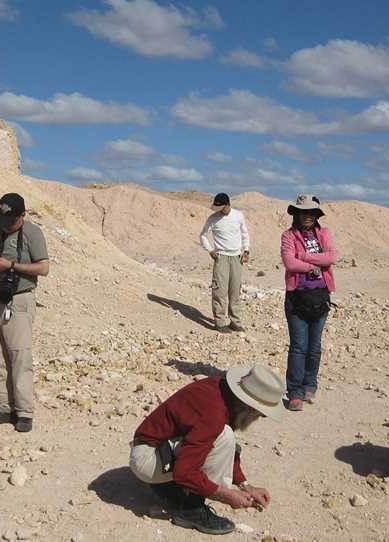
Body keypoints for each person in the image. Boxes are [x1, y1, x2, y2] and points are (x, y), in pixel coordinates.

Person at [129, 365, 283, 535]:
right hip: (146, 458)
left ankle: (167, 487)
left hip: (155, 449)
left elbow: (214, 446)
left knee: (222, 438)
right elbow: (184, 471)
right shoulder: (214, 413)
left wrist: (245, 485)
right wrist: (226, 494)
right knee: (224, 437)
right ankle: (192, 510)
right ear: (251, 407)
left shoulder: (222, 392)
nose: (260, 418)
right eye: (262, 414)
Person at [0, 193, 49, 433]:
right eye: (3, 220)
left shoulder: (32, 233)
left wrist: (12, 266)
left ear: (22, 215)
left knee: (20, 356)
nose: (6, 226)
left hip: (19, 300)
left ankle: (25, 412)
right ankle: (4, 407)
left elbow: (44, 267)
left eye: (11, 221)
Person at [279, 194, 337, 411]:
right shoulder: (288, 236)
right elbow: (289, 261)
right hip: (297, 298)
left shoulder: (324, 233)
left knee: (314, 347)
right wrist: (311, 265)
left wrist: (303, 257)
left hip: (320, 297)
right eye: (304, 212)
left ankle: (310, 384)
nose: (308, 217)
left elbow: (331, 257)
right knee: (298, 347)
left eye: (311, 213)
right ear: (296, 214)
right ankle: (294, 391)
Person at [199, 193, 250, 334]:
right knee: (219, 291)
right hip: (221, 257)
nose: (219, 209)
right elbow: (203, 235)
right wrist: (210, 250)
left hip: (236, 257)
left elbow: (244, 233)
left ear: (228, 204)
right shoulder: (213, 218)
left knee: (235, 291)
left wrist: (246, 250)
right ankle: (220, 322)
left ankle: (235, 322)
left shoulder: (238, 215)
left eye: (221, 206)